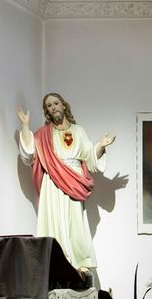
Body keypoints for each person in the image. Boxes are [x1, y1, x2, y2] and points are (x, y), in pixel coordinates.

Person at [16, 93, 115, 272]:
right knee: (53, 221)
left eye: (55, 103)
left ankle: (79, 263)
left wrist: (101, 145)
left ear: (63, 106)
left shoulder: (78, 131)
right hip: (52, 183)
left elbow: (90, 156)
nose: (53, 107)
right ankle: (56, 263)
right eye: (48, 106)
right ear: (47, 111)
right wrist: (25, 126)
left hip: (74, 182)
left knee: (75, 223)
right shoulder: (43, 134)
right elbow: (30, 155)